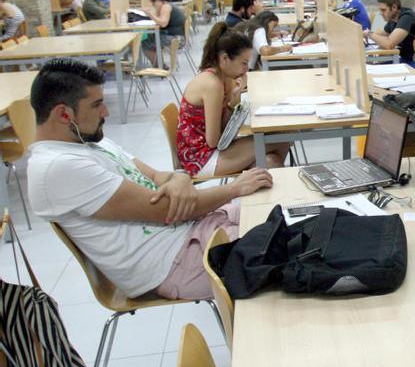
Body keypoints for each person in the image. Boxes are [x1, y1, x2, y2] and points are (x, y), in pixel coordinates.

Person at [27, 58, 274, 300]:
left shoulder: (87, 141)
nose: (106, 112)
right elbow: (169, 210)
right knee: (286, 249)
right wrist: (234, 188)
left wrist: (178, 179)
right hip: (174, 262)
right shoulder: (57, 168)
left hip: (193, 233)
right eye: (97, 104)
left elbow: (158, 175)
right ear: (63, 114)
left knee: (281, 213)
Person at [177, 22, 288, 177]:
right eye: (243, 63)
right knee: (281, 139)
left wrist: (233, 100)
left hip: (211, 150)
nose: (246, 69)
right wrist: (232, 102)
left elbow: (224, 131)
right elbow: (215, 141)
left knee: (271, 161)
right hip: (200, 159)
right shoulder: (212, 84)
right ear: (224, 59)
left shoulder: (224, 78)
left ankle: (258, 191)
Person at [365, 0, 415, 66]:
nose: (381, 13)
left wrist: (369, 33)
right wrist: (365, 34)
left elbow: (389, 44)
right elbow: (381, 34)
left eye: (383, 10)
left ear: (394, 7)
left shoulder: (407, 17)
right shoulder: (393, 20)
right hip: (403, 58)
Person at [143, 0, 186, 67]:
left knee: (144, 42)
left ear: (160, 0)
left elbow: (163, 24)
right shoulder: (169, 6)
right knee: (150, 39)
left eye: (154, 2)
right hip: (177, 38)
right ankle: (159, 65)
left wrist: (150, 14)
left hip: (175, 39)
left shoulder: (166, 7)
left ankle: (159, 66)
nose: (153, 4)